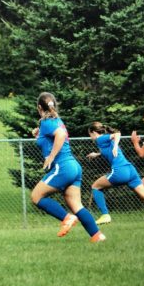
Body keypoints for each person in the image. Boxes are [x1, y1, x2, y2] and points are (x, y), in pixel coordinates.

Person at [31, 92, 106, 242]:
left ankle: (67, 218)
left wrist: (51, 157)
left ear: (39, 107)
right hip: (73, 166)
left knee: (36, 196)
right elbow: (54, 136)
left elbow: (59, 136)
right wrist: (39, 135)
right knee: (76, 205)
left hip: (63, 166)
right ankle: (98, 236)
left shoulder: (47, 123)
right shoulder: (56, 120)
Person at [86, 122, 144, 228]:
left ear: (94, 132)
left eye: (90, 134)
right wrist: (97, 154)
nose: (90, 137)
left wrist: (115, 147)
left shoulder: (100, 139)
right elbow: (109, 148)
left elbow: (117, 134)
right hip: (131, 170)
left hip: (120, 171)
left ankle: (105, 215)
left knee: (95, 186)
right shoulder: (105, 141)